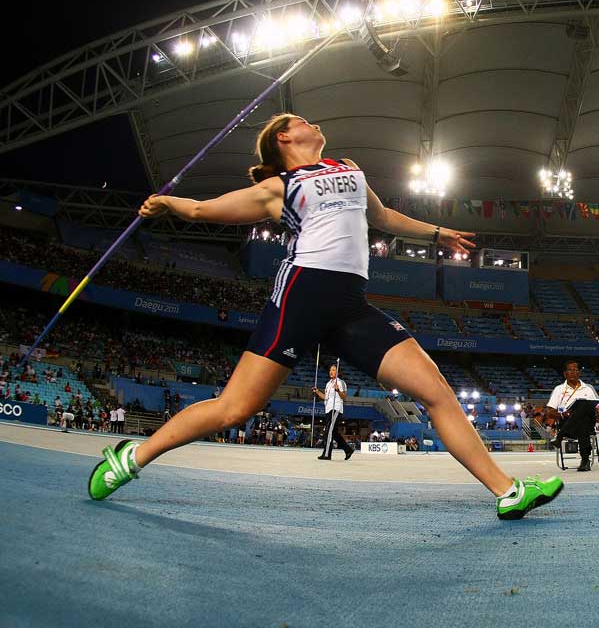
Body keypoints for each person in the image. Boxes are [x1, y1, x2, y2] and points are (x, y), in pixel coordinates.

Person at [87, 113, 561, 520]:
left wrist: (438, 233)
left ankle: (507, 492)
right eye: (299, 120)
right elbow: (203, 210)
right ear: (283, 139)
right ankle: (133, 456)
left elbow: (384, 217)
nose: (312, 122)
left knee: (435, 390)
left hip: (351, 305)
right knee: (236, 408)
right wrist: (168, 203)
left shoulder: (349, 168)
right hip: (301, 295)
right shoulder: (278, 187)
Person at [541, 361, 599, 471]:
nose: (573, 372)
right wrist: (562, 414)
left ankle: (559, 437)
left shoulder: (588, 388)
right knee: (582, 422)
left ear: (579, 372)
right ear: (565, 373)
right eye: (570, 370)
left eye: (575, 369)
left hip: (588, 422)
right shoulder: (559, 389)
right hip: (568, 423)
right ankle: (585, 460)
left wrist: (594, 410)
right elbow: (550, 412)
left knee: (582, 404)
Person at [312, 364, 353, 461]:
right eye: (330, 370)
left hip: (336, 409)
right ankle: (348, 449)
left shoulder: (341, 382)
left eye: (334, 370)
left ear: (338, 372)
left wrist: (338, 389)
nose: (331, 371)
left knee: (328, 431)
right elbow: (326, 397)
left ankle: (327, 454)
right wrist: (317, 392)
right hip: (328, 409)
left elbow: (344, 397)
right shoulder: (328, 383)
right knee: (333, 433)